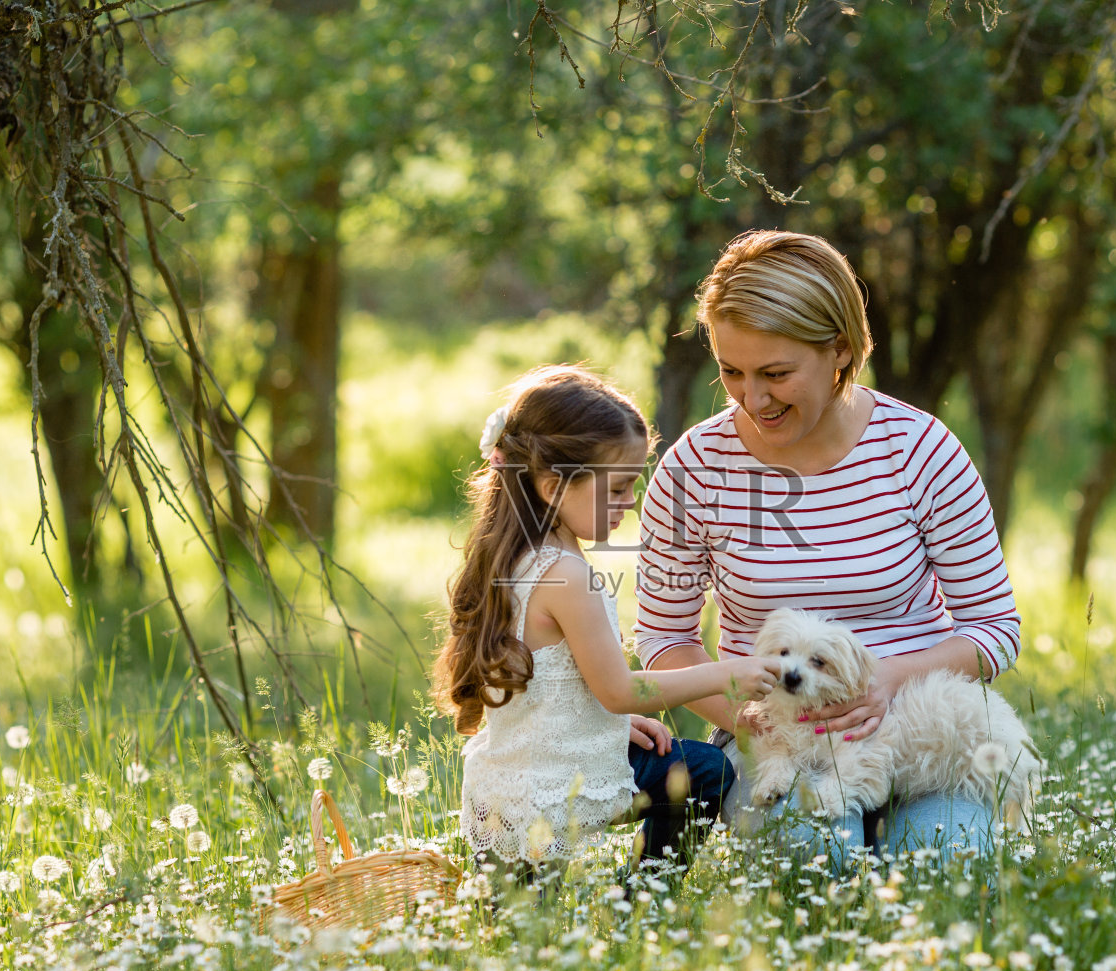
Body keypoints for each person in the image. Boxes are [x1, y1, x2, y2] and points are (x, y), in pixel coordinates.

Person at [633, 230, 1024, 870]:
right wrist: (756, 717)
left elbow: (996, 629)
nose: (752, 399)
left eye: (776, 373)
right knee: (813, 864)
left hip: (919, 734)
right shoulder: (696, 467)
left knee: (943, 866)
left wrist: (888, 681)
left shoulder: (920, 451)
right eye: (732, 371)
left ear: (840, 348)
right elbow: (663, 640)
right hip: (775, 742)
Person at [434, 365, 781, 887]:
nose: (629, 503)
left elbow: (555, 687)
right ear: (553, 486)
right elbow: (620, 689)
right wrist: (725, 675)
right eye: (616, 489)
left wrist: (612, 727)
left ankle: (569, 898)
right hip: (558, 784)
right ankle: (641, 898)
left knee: (515, 928)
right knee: (706, 772)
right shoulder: (568, 574)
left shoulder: (511, 556)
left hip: (508, 786)